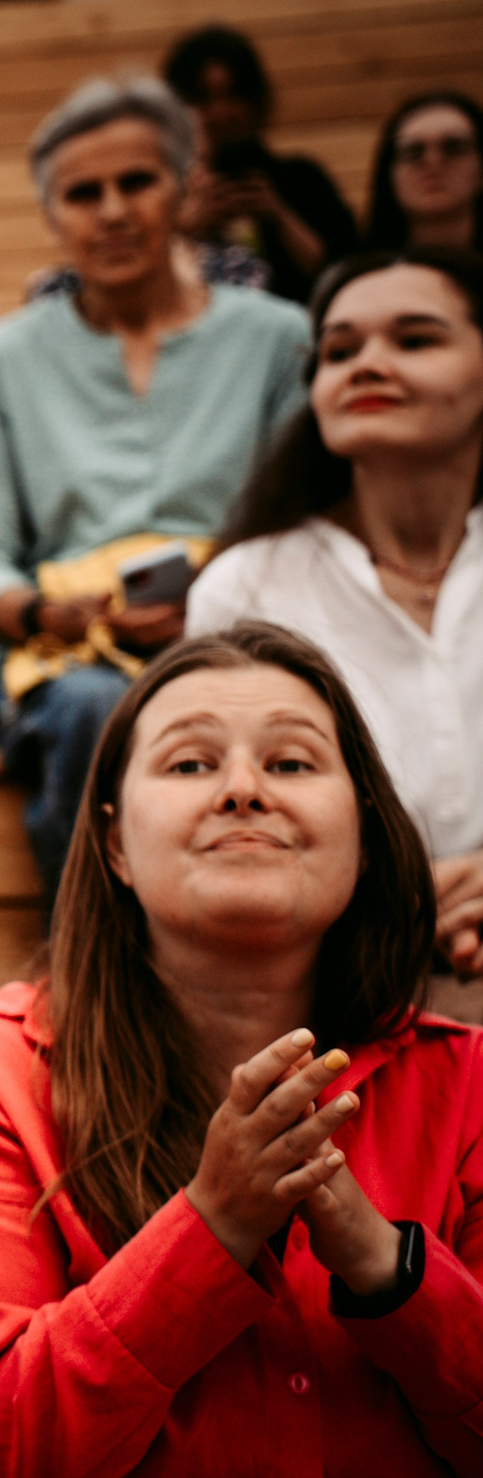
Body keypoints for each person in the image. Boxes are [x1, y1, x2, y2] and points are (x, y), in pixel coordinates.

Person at [0, 622, 483, 1478]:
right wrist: (213, 1228)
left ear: (367, 835)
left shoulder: (464, 1085)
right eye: (191, 763)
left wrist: (389, 1270)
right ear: (114, 844)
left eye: (291, 762)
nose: (242, 789)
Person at [0, 77, 311, 894]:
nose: (112, 211)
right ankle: (91, 950)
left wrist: (211, 598)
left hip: (240, 630)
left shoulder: (276, 337)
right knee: (93, 707)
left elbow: (301, 522)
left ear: (184, 188)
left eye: (136, 182)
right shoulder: (8, 356)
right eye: (83, 193)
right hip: (60, 656)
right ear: (53, 216)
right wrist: (45, 613)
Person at [192, 248, 483, 1016]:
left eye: (414, 339)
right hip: (332, 984)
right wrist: (394, 896)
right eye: (340, 351)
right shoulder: (246, 586)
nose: (368, 365)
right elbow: (225, 802)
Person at [162, 24, 360, 305]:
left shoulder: (302, 180)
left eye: (234, 95)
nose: (221, 113)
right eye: (203, 99)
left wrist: (278, 215)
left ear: (256, 101)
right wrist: (186, 227)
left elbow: (344, 274)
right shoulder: (164, 189)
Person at [367, 91, 483, 255]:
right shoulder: (359, 271)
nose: (433, 162)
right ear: (390, 174)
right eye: (413, 152)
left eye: (454, 148)